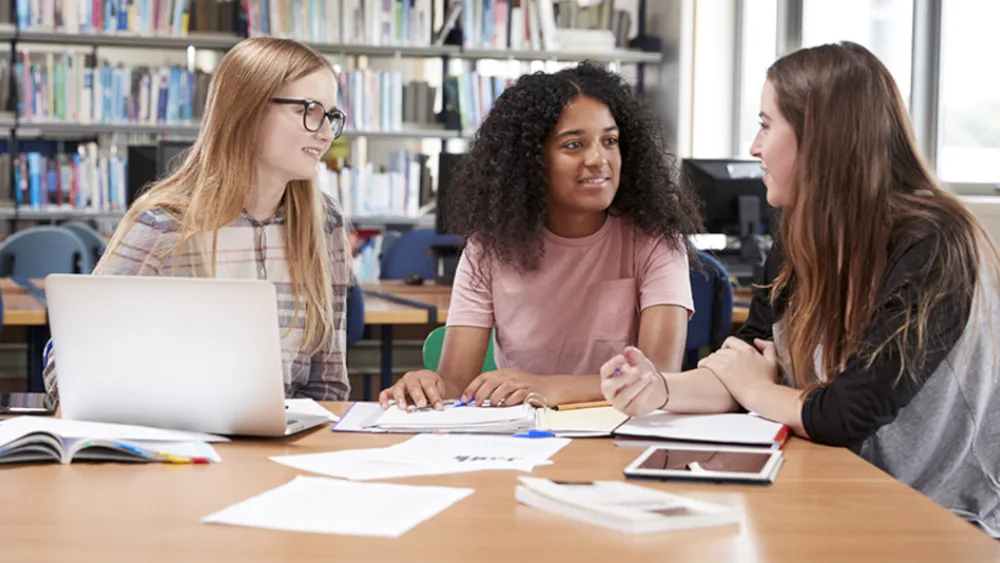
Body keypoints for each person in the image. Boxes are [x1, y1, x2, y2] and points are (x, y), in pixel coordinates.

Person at [601, 42, 1000, 537]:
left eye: (766, 125)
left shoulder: (937, 244)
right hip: (838, 494)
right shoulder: (798, 233)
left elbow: (847, 412)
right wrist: (659, 390)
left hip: (942, 519)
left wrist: (756, 388)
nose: (753, 147)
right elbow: (742, 360)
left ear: (821, 139)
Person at [379, 61, 703, 411]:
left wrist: (550, 388)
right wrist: (426, 385)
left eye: (610, 141)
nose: (599, 159)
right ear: (530, 162)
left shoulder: (654, 240)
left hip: (622, 434)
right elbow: (456, 384)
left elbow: (657, 378)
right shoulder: (489, 248)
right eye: (574, 145)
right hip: (521, 440)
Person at [42, 37, 352, 401]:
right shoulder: (164, 225)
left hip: (287, 444)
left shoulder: (324, 223)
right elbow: (67, 373)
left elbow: (329, 386)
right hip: (179, 439)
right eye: (310, 110)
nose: (327, 133)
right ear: (248, 112)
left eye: (331, 116)